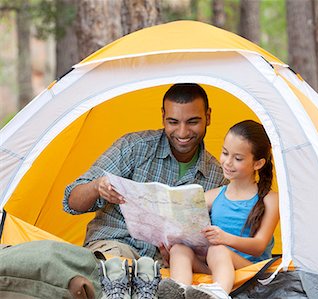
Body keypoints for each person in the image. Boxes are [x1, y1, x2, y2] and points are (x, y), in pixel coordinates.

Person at [63, 83, 227, 260]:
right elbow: (72, 202)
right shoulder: (134, 147)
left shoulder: (219, 177)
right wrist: (96, 187)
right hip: (115, 246)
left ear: (208, 116)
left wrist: (177, 257)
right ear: (163, 116)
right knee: (115, 268)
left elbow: (217, 247)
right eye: (173, 122)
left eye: (192, 122)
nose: (182, 132)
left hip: (170, 265)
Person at [158, 120, 280, 299]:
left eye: (237, 158)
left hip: (249, 269)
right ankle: (180, 290)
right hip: (214, 265)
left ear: (258, 164)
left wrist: (225, 238)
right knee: (179, 248)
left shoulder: (270, 199)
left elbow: (259, 246)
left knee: (217, 249)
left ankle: (217, 294)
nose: (227, 162)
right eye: (225, 153)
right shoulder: (212, 196)